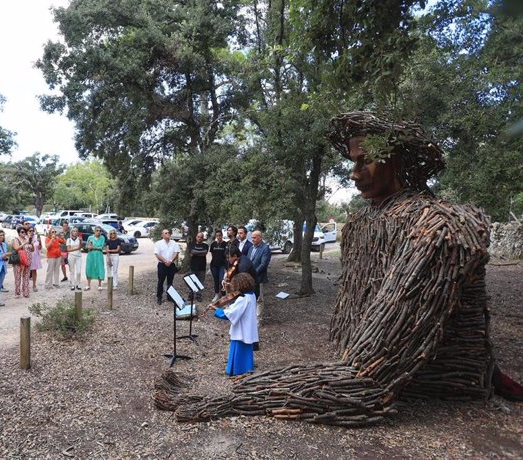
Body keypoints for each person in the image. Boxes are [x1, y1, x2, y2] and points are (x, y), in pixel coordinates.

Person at [157, 111, 523, 425]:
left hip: (421, 377)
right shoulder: (363, 225)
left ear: (396, 161)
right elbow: (356, 343)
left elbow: (370, 376)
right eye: (352, 161)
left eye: (365, 160)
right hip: (373, 361)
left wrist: (227, 400)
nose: (353, 173)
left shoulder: (438, 228)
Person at [213, 273, 258, 377]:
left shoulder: (243, 299)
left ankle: (237, 370)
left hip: (242, 329)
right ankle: (247, 368)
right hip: (249, 327)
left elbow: (230, 314)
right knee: (246, 350)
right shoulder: (252, 295)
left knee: (239, 349)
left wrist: (217, 310)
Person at [249, 230, 271, 324]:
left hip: (259, 278)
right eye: (252, 237)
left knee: (259, 299)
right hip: (249, 278)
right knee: (251, 297)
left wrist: (253, 273)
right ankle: (251, 318)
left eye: (254, 237)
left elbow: (263, 264)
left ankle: (258, 320)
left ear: (260, 238)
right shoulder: (251, 248)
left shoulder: (265, 248)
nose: (252, 239)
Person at [154, 229, 180, 305]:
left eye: (168, 233)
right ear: (162, 235)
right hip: (162, 265)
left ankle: (169, 296)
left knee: (170, 282)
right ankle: (159, 297)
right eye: (166, 233)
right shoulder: (158, 243)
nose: (168, 234)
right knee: (160, 281)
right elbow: (157, 254)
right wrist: (165, 261)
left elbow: (176, 252)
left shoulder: (174, 243)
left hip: (171, 265)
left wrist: (171, 260)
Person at [11, 226, 32, 298]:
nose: (24, 233)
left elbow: (32, 249)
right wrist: (24, 243)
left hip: (28, 260)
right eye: (22, 232)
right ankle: (17, 293)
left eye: (25, 232)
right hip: (19, 260)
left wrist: (30, 241)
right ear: (19, 233)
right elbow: (16, 248)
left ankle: (26, 292)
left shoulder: (27, 239)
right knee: (18, 276)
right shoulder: (15, 239)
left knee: (26, 276)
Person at [188, 232, 209, 301]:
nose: (200, 238)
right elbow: (192, 252)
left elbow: (205, 252)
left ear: (203, 238)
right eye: (198, 237)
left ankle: (198, 295)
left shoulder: (205, 245)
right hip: (193, 266)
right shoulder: (192, 245)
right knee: (192, 281)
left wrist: (196, 253)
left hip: (202, 267)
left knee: (200, 282)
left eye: (201, 237)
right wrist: (200, 252)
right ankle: (191, 295)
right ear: (196, 237)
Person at [209, 229, 228, 302]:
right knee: (215, 280)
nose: (218, 237)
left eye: (220, 235)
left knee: (221, 280)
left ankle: (223, 295)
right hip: (214, 265)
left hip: (222, 265)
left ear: (222, 236)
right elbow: (212, 254)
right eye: (217, 235)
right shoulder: (213, 244)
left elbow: (226, 256)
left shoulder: (225, 244)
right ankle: (217, 294)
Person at [84, 226, 105, 291]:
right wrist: (90, 247)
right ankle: (88, 285)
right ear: (94, 231)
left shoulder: (102, 238)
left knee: (100, 267)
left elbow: (102, 247)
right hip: (91, 254)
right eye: (97, 230)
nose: (98, 232)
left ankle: (99, 285)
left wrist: (94, 247)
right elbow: (87, 246)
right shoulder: (90, 237)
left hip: (99, 254)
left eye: (100, 231)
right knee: (89, 268)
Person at [27, 227, 42, 292]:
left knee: (34, 271)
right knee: (26, 271)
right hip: (27, 256)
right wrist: (29, 239)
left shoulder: (36, 237)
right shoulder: (25, 237)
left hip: (34, 256)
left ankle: (34, 285)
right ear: (27, 231)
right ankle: (26, 285)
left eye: (32, 230)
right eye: (30, 231)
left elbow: (40, 247)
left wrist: (40, 242)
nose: (31, 232)